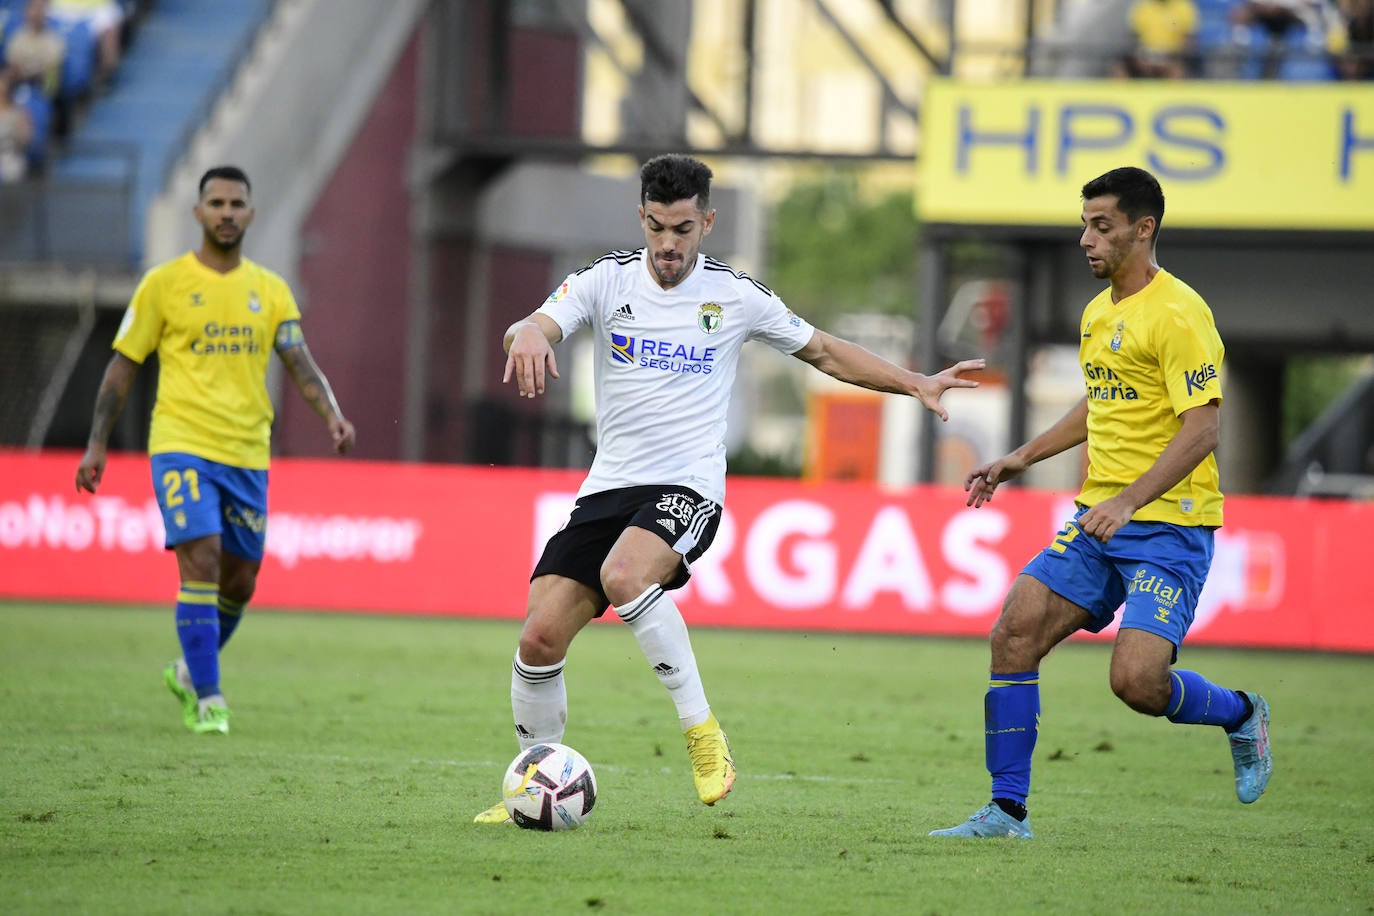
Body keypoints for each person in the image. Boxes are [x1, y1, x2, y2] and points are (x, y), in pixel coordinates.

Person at [474, 153, 985, 823]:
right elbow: (536, 323)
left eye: (682, 229)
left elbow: (825, 350)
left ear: (707, 222)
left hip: (688, 486)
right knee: (539, 639)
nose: (667, 244)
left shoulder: (735, 295)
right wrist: (527, 336)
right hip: (608, 489)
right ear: (641, 218)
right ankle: (530, 795)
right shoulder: (604, 281)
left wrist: (914, 381)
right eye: (656, 227)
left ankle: (702, 733)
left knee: (625, 574)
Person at [929, 167, 1271, 840]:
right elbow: (1102, 406)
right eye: (1084, 224)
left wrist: (1129, 500)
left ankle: (1240, 713)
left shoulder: (1179, 313)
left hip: (1170, 526)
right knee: (1014, 630)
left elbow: (1202, 428)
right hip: (1097, 522)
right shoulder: (1099, 313)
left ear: (1143, 230)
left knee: (1138, 683)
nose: (1086, 238)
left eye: (1102, 226)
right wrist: (1018, 458)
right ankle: (1006, 811)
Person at [75, 165, 356, 736]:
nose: (227, 213)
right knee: (200, 557)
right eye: (217, 203)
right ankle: (209, 700)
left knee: (240, 580)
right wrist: (96, 443)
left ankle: (187, 669)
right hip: (181, 443)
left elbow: (300, 365)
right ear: (199, 213)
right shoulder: (163, 284)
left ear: (250, 214)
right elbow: (122, 366)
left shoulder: (271, 290)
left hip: (247, 452)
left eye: (236, 204)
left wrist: (332, 415)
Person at [1116, 0, 1199, 79]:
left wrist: (1174, 58)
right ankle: (1123, 93)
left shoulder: (1183, 6)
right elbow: (1134, 38)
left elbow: (1188, 40)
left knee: (1176, 69)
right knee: (1120, 68)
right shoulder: (1142, 6)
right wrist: (1140, 57)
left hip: (1171, 55)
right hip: (1145, 54)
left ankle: (1174, 93)